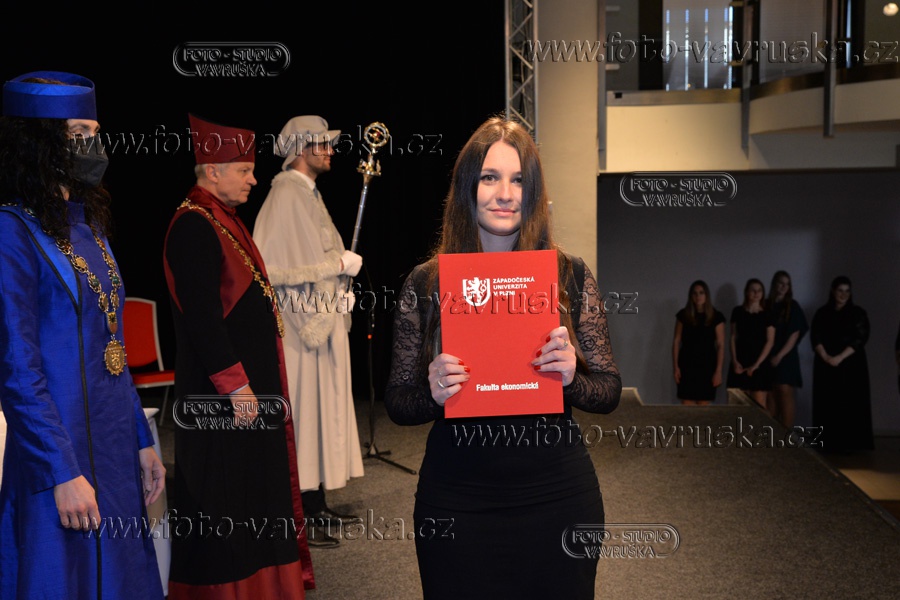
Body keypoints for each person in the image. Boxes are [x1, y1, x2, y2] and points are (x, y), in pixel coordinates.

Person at [384, 116, 622, 599]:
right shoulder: (426, 282)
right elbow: (397, 402)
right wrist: (432, 393)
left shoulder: (570, 274)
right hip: (457, 502)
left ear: (532, 192)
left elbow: (609, 391)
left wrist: (573, 377)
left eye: (518, 180)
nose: (505, 194)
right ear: (467, 188)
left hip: (556, 498)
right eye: (490, 177)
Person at [0, 70, 165, 599]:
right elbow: (17, 369)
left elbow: (111, 346)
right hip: (58, 450)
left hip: (114, 443)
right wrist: (59, 472)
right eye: (77, 133)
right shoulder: (12, 231)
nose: (92, 145)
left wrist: (142, 440)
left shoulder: (89, 225)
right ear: (38, 142)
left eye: (94, 131)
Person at [163, 113, 314, 596]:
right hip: (222, 397)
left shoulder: (223, 220)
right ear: (213, 171)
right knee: (225, 498)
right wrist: (237, 386)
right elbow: (203, 320)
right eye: (244, 170)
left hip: (246, 392)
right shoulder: (193, 225)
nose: (253, 179)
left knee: (255, 493)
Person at [253, 115, 364, 548]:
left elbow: (314, 254)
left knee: (319, 413)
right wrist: (336, 267)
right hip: (302, 328)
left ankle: (315, 504)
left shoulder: (307, 193)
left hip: (322, 318)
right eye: (323, 144)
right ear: (301, 148)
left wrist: (339, 290)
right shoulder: (287, 194)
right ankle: (297, 514)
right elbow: (277, 268)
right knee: (303, 416)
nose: (331, 151)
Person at [810, 276, 873, 453]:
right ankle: (827, 443)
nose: (843, 294)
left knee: (850, 402)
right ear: (833, 291)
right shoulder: (822, 313)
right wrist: (826, 357)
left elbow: (860, 338)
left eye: (847, 291)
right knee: (827, 403)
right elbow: (815, 336)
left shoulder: (858, 313)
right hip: (825, 364)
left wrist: (839, 358)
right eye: (840, 290)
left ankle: (851, 444)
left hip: (851, 365)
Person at [765, 270, 808, 427]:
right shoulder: (767, 305)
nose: (784, 287)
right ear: (774, 284)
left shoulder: (792, 306)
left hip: (786, 356)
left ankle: (787, 434)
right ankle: (772, 435)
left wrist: (779, 356)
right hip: (768, 355)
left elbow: (794, 334)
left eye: (787, 284)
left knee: (784, 392)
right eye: (781, 283)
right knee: (770, 393)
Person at [672, 280, 726, 405]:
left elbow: (720, 345)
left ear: (706, 295)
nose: (698, 296)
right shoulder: (684, 315)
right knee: (687, 403)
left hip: (707, 365)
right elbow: (676, 341)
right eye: (695, 293)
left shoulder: (716, 317)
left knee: (704, 406)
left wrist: (718, 371)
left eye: (701, 293)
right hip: (687, 364)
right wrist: (676, 367)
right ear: (691, 296)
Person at [727, 278, 775, 410]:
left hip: (760, 362)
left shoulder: (767, 314)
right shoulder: (738, 311)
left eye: (759, 290)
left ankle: (757, 426)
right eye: (753, 290)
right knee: (738, 406)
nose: (756, 293)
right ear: (747, 292)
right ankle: (739, 425)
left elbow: (770, 341)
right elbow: (733, 337)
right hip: (740, 360)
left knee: (759, 406)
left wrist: (756, 364)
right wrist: (735, 361)